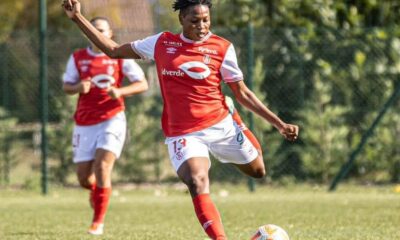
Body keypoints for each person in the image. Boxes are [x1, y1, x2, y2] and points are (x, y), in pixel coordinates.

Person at [62, 0, 299, 239]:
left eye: (206, 20)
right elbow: (113, 51)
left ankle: (235, 118)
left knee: (258, 171)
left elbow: (243, 93)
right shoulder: (161, 43)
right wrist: (77, 18)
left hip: (221, 124)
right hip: (183, 133)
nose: (202, 26)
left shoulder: (222, 47)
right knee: (196, 181)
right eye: (194, 21)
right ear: (181, 20)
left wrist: (279, 124)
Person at [62, 16, 148, 235]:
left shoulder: (119, 56)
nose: (98, 33)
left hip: (113, 117)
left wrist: (120, 91)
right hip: (84, 122)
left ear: (110, 34)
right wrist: (78, 87)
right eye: (94, 29)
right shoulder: (78, 57)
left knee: (103, 167)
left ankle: (97, 222)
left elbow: (142, 83)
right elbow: (66, 86)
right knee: (83, 178)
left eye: (102, 30)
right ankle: (98, 192)